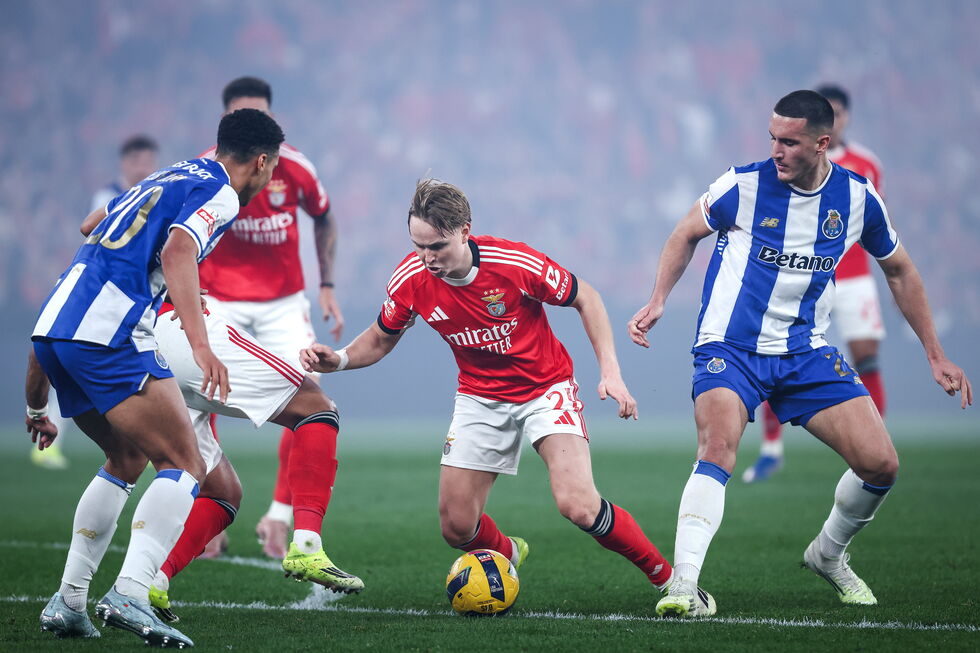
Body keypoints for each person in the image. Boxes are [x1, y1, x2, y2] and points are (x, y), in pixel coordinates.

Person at [300, 179, 715, 614]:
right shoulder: (411, 279)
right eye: (418, 245)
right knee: (457, 527)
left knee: (578, 505)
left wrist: (610, 371)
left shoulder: (512, 262)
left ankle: (674, 584)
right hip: (479, 397)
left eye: (437, 246)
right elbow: (382, 338)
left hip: (545, 388)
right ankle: (508, 554)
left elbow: (586, 297)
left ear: (465, 230)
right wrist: (341, 360)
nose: (427, 258)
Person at [628, 90, 972, 617]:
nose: (776, 150)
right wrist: (657, 300)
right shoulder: (741, 185)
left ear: (822, 143)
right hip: (730, 345)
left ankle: (829, 556)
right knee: (717, 446)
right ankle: (683, 586)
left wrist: (935, 353)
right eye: (772, 138)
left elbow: (899, 269)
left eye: (788, 142)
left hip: (804, 350)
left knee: (881, 465)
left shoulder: (857, 199)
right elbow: (684, 234)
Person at [27, 108, 283, 647]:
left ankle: (69, 601)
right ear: (261, 162)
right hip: (109, 331)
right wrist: (200, 343)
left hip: (56, 325)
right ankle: (130, 593)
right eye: (271, 168)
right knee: (185, 461)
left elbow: (89, 224)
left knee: (125, 458)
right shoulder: (224, 192)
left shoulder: (171, 173)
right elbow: (177, 251)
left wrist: (35, 409)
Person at [28, 296, 364, 627]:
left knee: (207, 487)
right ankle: (307, 545)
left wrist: (36, 407)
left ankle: (106, 592)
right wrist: (190, 309)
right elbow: (177, 247)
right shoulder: (160, 246)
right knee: (316, 407)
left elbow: (50, 320)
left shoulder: (87, 263)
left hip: (108, 346)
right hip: (173, 327)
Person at [196, 76, 344, 559]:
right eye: (243, 115)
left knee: (309, 396)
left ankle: (278, 517)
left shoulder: (295, 166)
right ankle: (206, 507)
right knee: (195, 397)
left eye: (262, 115)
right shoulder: (204, 170)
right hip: (218, 297)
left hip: (283, 301)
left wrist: (326, 285)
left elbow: (324, 215)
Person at [744, 85, 889, 483]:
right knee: (775, 353)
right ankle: (771, 449)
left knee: (867, 359)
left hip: (854, 275)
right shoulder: (790, 164)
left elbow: (874, 227)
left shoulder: (865, 166)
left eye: (843, 113)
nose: (839, 120)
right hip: (804, 275)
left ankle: (871, 444)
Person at [31, 136, 162, 472]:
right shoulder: (110, 197)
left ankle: (138, 445)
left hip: (126, 300)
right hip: (101, 298)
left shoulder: (155, 195)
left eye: (148, 159)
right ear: (124, 163)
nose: (143, 166)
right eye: (136, 159)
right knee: (79, 370)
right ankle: (52, 445)